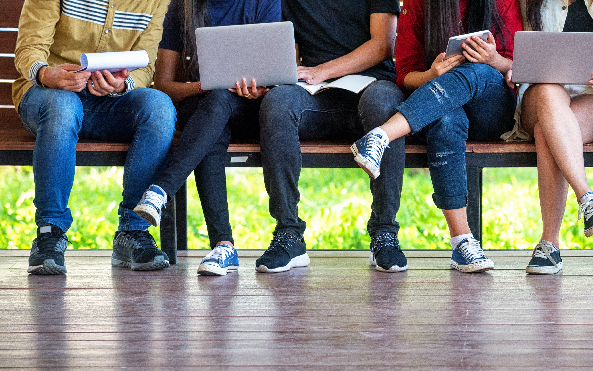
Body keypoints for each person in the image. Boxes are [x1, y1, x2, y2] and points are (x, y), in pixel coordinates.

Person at [351, 0, 523, 273]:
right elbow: (405, 75)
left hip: (492, 110)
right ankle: (462, 243)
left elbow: (520, 65)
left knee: (476, 71)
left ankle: (381, 135)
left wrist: (493, 60)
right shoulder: (419, 3)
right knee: (445, 119)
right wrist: (432, 74)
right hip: (438, 105)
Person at [15, 0, 176, 275]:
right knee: (65, 106)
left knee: (159, 108)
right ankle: (49, 233)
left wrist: (124, 84)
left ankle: (133, 231)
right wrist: (46, 74)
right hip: (48, 98)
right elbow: (29, 49)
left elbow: (145, 66)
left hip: (110, 103)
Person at [257, 0, 408, 273]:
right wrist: (277, 77)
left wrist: (322, 71)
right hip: (316, 95)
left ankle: (385, 232)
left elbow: (383, 45)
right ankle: (288, 234)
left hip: (372, 86)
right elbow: (286, 49)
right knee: (277, 103)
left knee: (385, 105)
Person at [133, 0, 281, 276]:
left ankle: (162, 190)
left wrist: (260, 89)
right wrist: (203, 85)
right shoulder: (182, 7)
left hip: (251, 110)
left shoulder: (263, 2)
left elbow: (276, 76)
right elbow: (163, 85)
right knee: (215, 109)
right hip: (202, 106)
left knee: (216, 110)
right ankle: (223, 247)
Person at [509, 0, 593, 274]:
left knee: (548, 130)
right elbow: (523, 51)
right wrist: (515, 66)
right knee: (548, 94)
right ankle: (586, 196)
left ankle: (549, 244)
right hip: (540, 93)